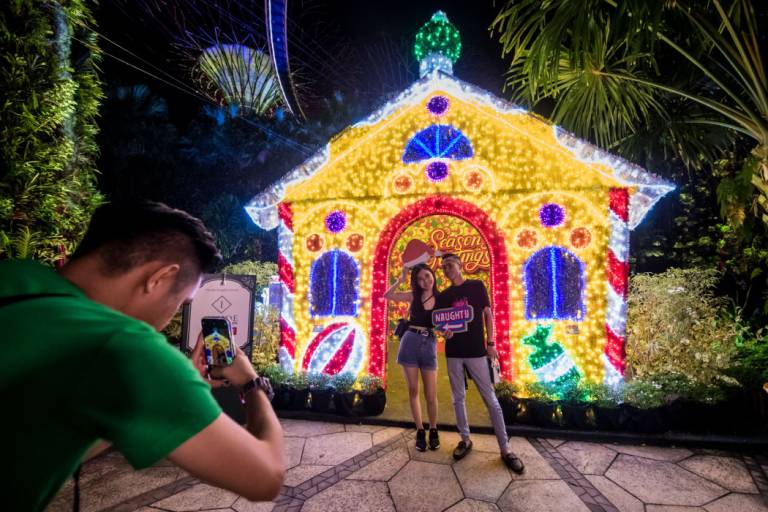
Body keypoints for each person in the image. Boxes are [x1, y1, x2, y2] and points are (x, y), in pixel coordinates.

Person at [1, 202, 285, 511]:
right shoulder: (126, 346)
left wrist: (153, 398)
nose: (172, 315)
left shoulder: (15, 277)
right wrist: (251, 384)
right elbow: (266, 476)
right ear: (159, 278)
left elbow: (43, 442)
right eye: (182, 302)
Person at [435, 253, 524, 473]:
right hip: (454, 352)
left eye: (450, 265)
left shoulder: (476, 286)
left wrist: (491, 342)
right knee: (458, 398)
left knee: (490, 399)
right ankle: (465, 439)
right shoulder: (444, 295)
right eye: (444, 267)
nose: (447, 269)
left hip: (476, 351)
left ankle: (505, 449)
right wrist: (442, 331)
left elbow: (488, 314)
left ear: (460, 265)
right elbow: (439, 322)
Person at [384, 262, 440, 451]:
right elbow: (388, 296)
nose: (425, 281)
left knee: (431, 394)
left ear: (432, 274)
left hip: (429, 344)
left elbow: (449, 322)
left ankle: (433, 429)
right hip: (409, 342)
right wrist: (400, 280)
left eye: (427, 276)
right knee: (413, 390)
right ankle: (420, 431)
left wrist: (449, 331)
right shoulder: (414, 296)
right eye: (420, 279)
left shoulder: (442, 298)